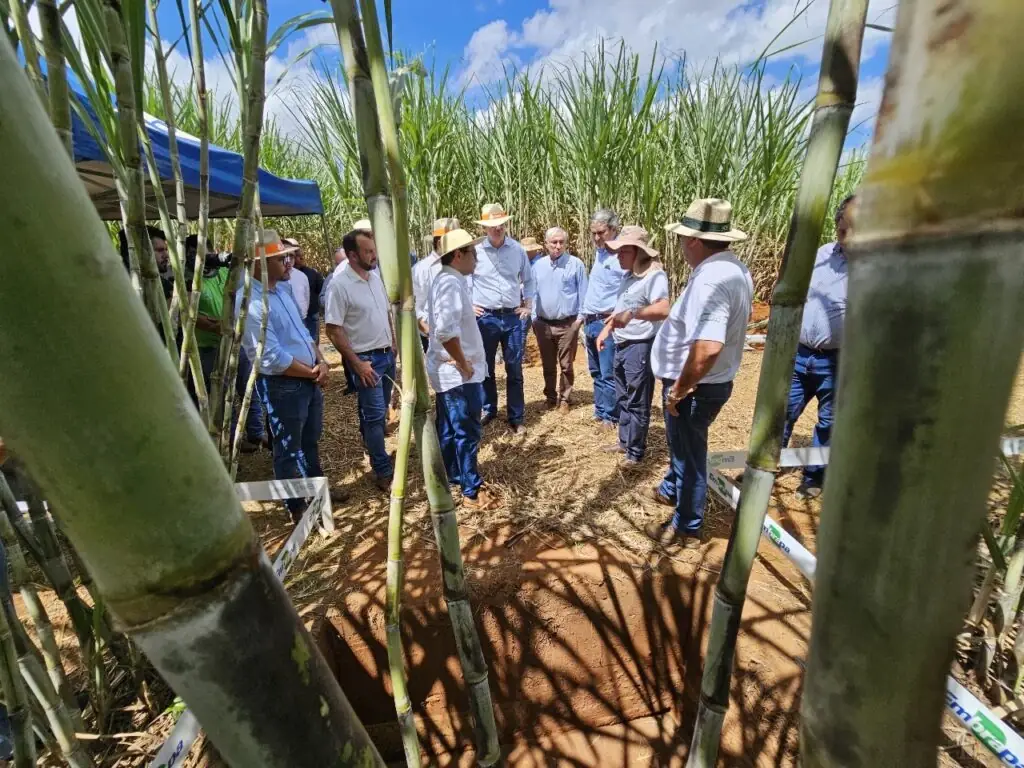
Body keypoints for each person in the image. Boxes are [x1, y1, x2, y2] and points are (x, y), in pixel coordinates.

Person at [645, 198, 754, 548]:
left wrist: (679, 390)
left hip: (696, 387)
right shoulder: (733, 269)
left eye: (681, 239)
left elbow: (707, 347)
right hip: (705, 383)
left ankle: (688, 526)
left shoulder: (712, 281)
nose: (679, 245)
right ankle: (670, 490)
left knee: (690, 455)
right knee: (683, 446)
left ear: (692, 240)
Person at [238, 230, 342, 522]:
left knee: (309, 441)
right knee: (286, 448)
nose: (290, 262)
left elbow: (304, 334)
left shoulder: (282, 290)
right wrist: (312, 372)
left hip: (307, 380)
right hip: (283, 386)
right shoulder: (251, 303)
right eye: (281, 258)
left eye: (289, 256)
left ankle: (318, 493)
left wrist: (322, 361)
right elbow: (271, 357)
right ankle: (296, 507)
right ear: (260, 263)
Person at [782, 194, 855, 499]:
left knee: (829, 423)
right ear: (837, 224)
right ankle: (765, 465)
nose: (849, 238)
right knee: (782, 413)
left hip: (838, 361)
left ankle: (813, 477)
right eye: (843, 230)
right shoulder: (822, 254)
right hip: (800, 355)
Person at [427, 229, 498, 511]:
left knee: (448, 428)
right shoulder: (450, 284)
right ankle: (470, 488)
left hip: (453, 372)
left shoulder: (448, 280)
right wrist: (464, 362)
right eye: (472, 252)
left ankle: (453, 476)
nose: (476, 258)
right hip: (458, 375)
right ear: (458, 255)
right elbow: (445, 331)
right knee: (466, 429)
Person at [325, 229, 397, 491]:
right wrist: (356, 363)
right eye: (368, 251)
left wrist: (394, 341)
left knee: (378, 414)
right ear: (352, 255)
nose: (373, 255)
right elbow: (333, 329)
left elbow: (385, 312)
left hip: (386, 354)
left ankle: (372, 446)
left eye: (374, 250)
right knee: (376, 416)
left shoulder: (374, 276)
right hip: (366, 360)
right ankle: (382, 470)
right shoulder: (339, 284)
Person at [596, 226, 670, 467]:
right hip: (622, 343)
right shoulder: (628, 277)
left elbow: (662, 309)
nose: (618, 256)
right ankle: (624, 441)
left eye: (623, 252)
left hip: (640, 345)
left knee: (637, 399)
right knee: (624, 396)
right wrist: (607, 330)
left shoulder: (654, 276)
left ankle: (635, 452)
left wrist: (634, 314)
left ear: (637, 252)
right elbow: (621, 309)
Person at [471, 203, 536, 433]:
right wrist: (470, 304)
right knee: (486, 367)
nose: (496, 229)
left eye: (500, 224)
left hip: (512, 318)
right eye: (491, 226)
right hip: (485, 317)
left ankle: (516, 417)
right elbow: (465, 278)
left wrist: (528, 305)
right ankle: (489, 409)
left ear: (505, 224)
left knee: (514, 368)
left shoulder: (517, 249)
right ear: (485, 228)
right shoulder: (476, 251)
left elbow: (528, 279)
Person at [581, 209, 629, 431]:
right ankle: (600, 411)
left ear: (614, 229)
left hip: (606, 323)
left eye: (601, 232)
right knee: (596, 371)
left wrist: (616, 315)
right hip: (591, 321)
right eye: (593, 233)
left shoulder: (622, 257)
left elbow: (629, 290)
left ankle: (611, 416)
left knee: (608, 372)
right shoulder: (600, 254)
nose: (597, 238)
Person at [531, 227, 588, 412]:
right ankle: (550, 398)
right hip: (543, 324)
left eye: (561, 242)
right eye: (553, 242)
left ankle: (565, 399)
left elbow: (583, 293)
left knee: (566, 364)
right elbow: (532, 293)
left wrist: (579, 320)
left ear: (566, 243)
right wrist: (534, 317)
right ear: (546, 244)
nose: (557, 246)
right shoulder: (538, 266)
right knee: (548, 364)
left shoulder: (576, 264)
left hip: (567, 324)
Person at [413, 217, 460, 353]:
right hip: (435, 337)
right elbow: (415, 307)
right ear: (440, 242)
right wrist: (428, 331)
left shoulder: (460, 263)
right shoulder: (421, 269)